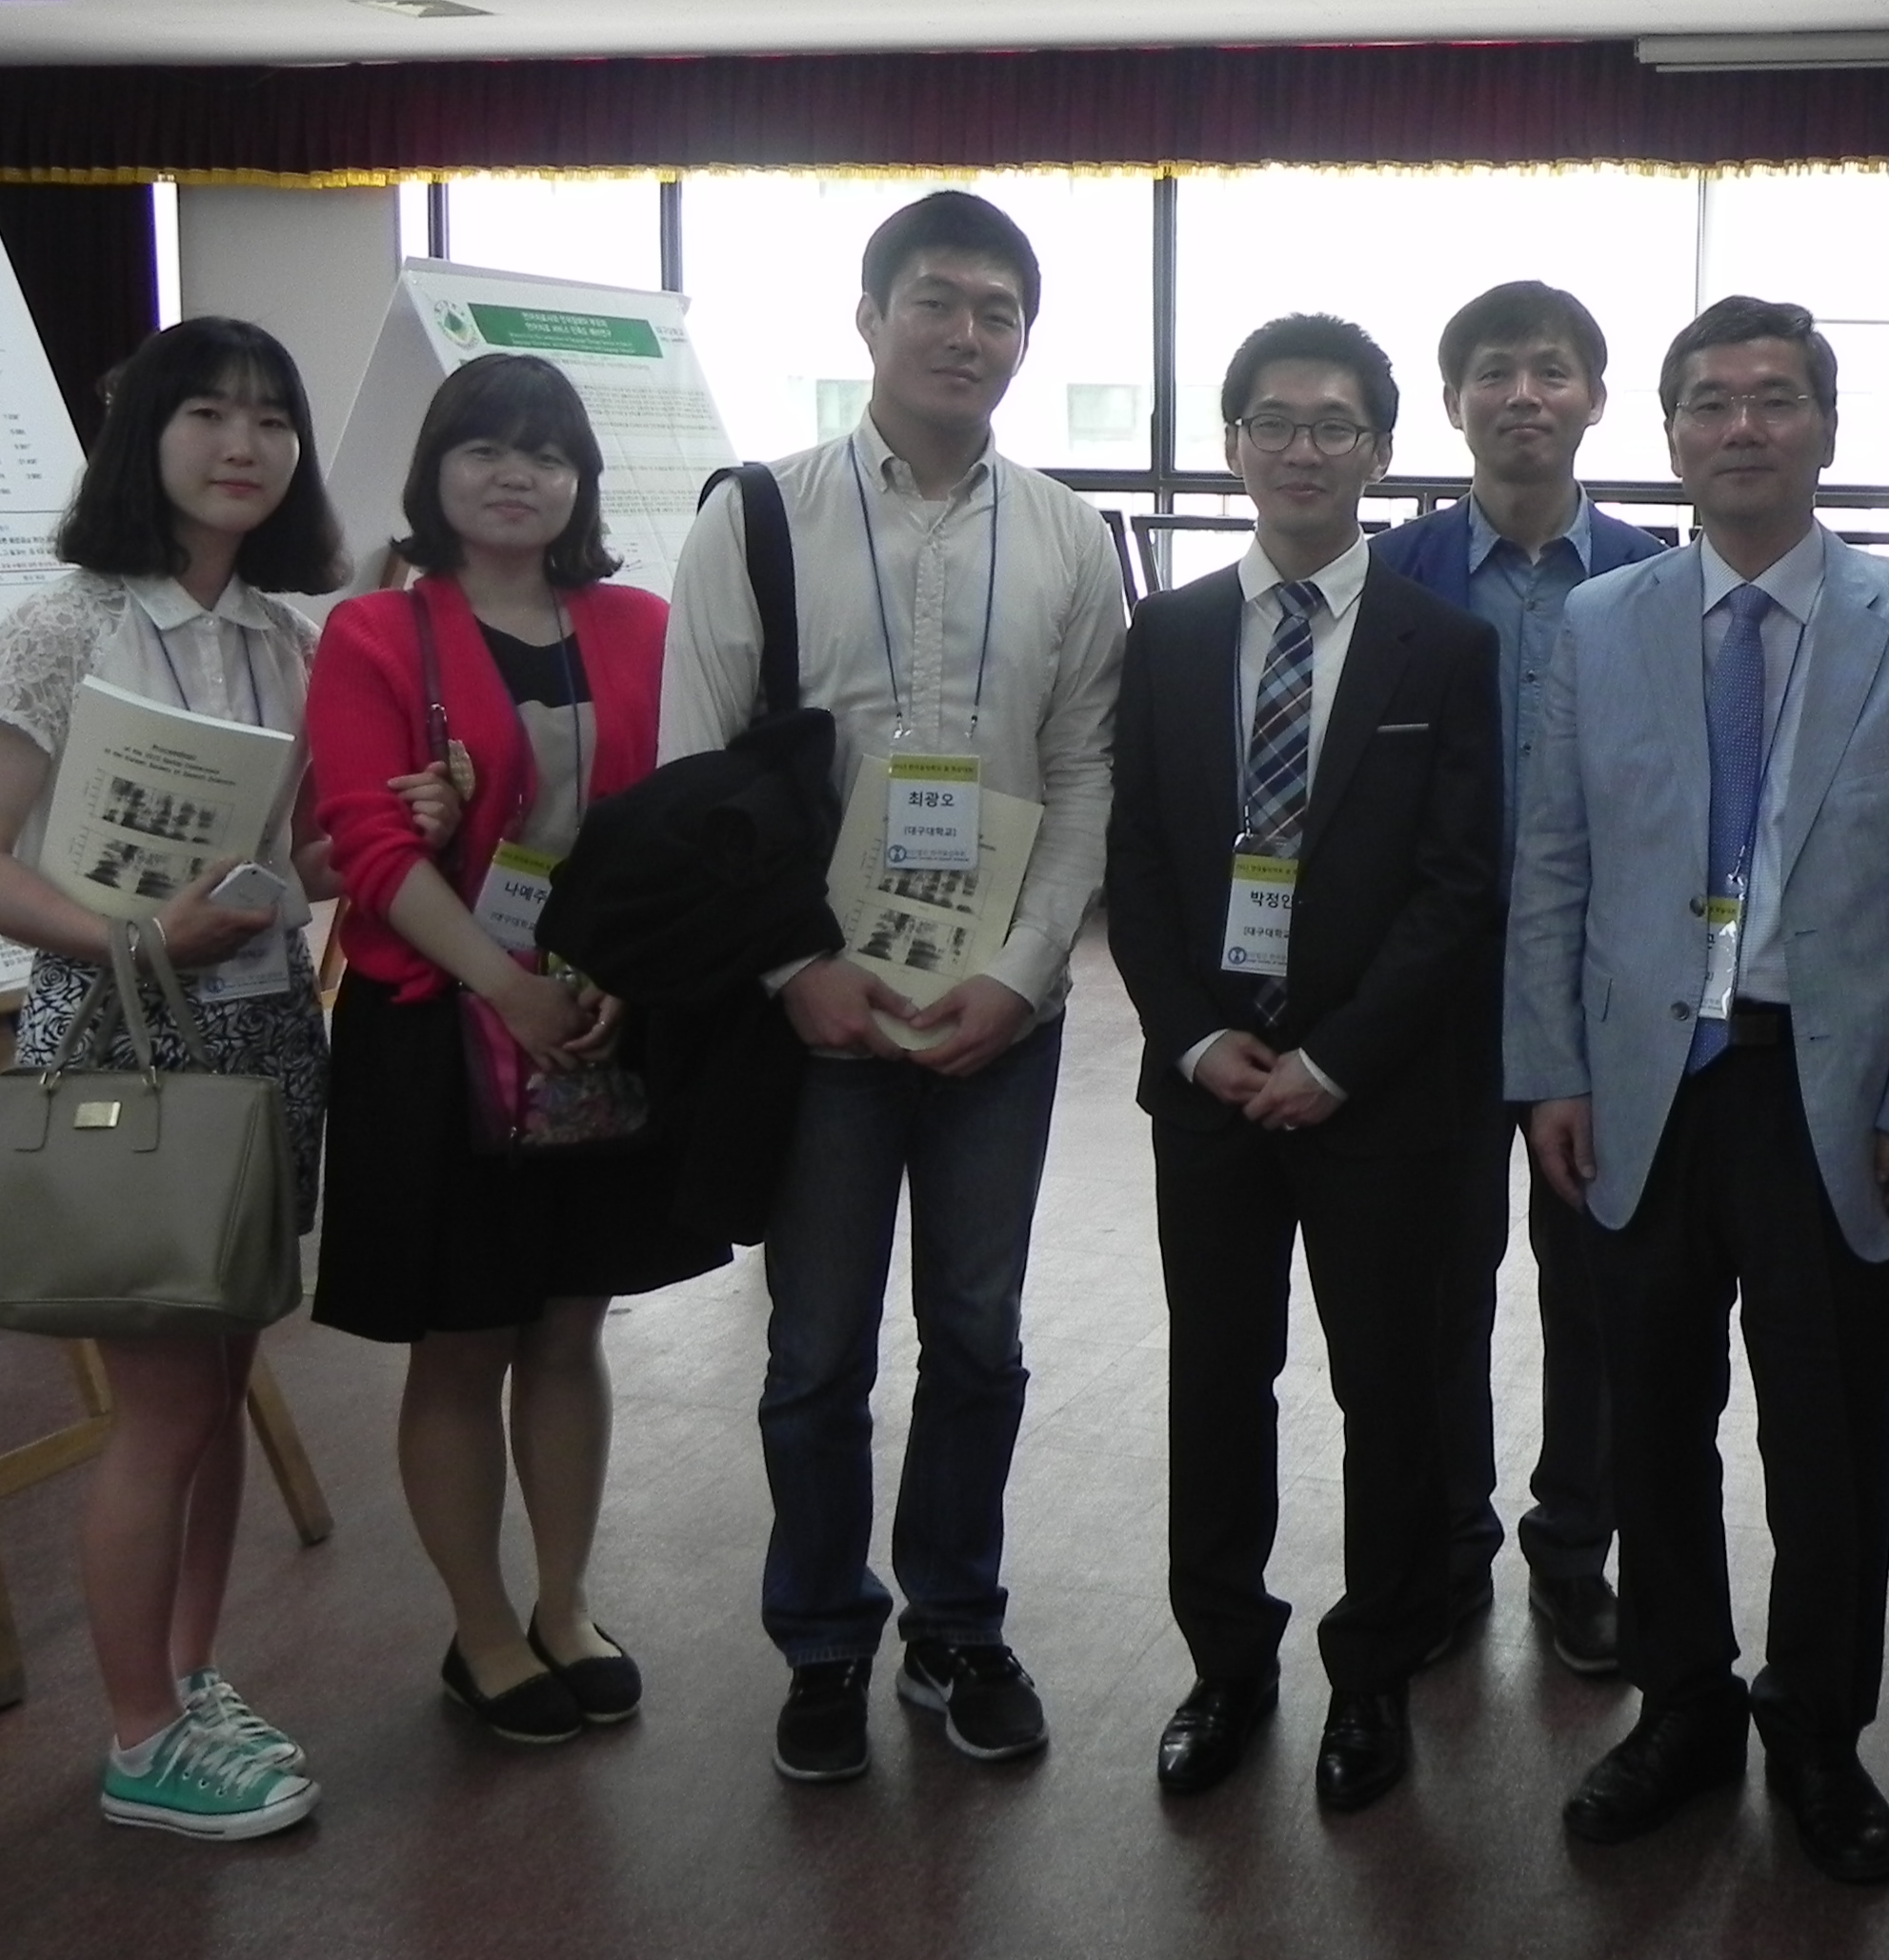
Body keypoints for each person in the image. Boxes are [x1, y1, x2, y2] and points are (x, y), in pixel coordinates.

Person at [1510, 295, 1889, 1886]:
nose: (1742, 425)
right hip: (1644, 1089)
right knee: (1651, 1422)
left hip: (1829, 1091)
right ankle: (1680, 1707)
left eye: (1776, 398)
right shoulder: (1603, 624)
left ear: (1826, 429)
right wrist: (1548, 1070)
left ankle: (1818, 1730)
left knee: (1831, 1435)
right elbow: (1555, 864)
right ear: (1668, 435)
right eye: (1710, 401)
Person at [659, 189, 1126, 1786]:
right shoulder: (757, 517)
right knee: (816, 1353)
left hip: (997, 1016)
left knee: (979, 1336)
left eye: (998, 312)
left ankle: (956, 1623)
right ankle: (821, 1641)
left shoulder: (1069, 535)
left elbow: (1086, 773)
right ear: (869, 318)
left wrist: (1021, 973)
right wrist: (797, 969)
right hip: (820, 1015)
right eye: (935, 301)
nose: (966, 334)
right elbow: (697, 776)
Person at [0, 316, 350, 1840]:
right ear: (142, 438)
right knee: (165, 1409)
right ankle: (135, 1736)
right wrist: (142, 936)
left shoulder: (288, 640)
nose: (245, 445)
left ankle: (187, 1675)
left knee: (222, 1389)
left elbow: (291, 866)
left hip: (263, 1031)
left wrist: (373, 835)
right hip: (120, 1035)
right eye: (207, 414)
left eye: (272, 418)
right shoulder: (63, 630)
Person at [1106, 316, 1503, 1813]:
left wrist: (1336, 1057)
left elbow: (1459, 884)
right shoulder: (1171, 634)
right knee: (1218, 1380)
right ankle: (1226, 1664)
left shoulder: (1441, 645)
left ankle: (1373, 1671)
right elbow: (1138, 860)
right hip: (1210, 1090)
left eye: (1335, 425)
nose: (1302, 449)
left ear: (1381, 452)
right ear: (1233, 445)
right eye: (1273, 422)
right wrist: (1198, 1036)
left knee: (1388, 1389)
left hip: (1377, 1095)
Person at [306, 353, 730, 1746]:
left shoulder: (643, 626)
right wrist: (509, 986)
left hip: (601, 1021)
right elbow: (370, 852)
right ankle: (482, 1629)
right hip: (438, 1032)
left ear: (580, 482)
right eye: (486, 449)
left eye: (546, 455)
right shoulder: (376, 632)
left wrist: (614, 984)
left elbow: (676, 827)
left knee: (567, 1327)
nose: (516, 476)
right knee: (462, 1339)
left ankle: (564, 1603)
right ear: (436, 470)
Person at [1367, 278, 1659, 1674]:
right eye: (1494, 371)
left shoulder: (1658, 577)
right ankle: (1448, 1539)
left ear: (1596, 398)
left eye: (1551, 370)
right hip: (1430, 986)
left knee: (1593, 1278)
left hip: (1602, 989)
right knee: (1438, 1279)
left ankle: (1575, 1544)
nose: (1523, 395)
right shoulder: (1391, 576)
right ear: (1454, 401)